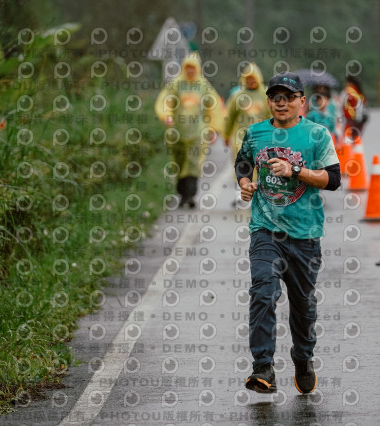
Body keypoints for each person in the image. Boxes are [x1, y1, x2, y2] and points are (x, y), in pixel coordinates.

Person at [234, 72, 341, 394]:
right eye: (276, 97)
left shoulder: (317, 135)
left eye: (289, 97)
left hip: (305, 234)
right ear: (268, 101)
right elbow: (242, 163)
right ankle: (263, 367)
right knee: (263, 292)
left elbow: (333, 179)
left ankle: (303, 356)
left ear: (301, 102)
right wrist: (245, 184)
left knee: (303, 305)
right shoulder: (256, 133)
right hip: (265, 230)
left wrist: (296, 170)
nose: (281, 103)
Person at [154, 52, 224, 208]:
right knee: (178, 163)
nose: (190, 71)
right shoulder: (176, 84)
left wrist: (213, 128)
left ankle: (190, 195)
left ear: (198, 68)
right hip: (177, 132)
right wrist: (166, 115)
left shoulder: (204, 86)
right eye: (188, 68)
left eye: (193, 68)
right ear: (184, 68)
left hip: (197, 132)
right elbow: (165, 100)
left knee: (193, 163)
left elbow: (214, 107)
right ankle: (182, 194)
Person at [224, 63, 271, 203]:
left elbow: (272, 116)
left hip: (261, 137)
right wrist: (226, 135)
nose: (251, 81)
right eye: (248, 78)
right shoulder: (237, 96)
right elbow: (229, 117)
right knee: (242, 165)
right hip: (241, 137)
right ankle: (240, 193)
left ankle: (257, 193)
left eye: (253, 78)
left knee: (260, 165)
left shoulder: (266, 95)